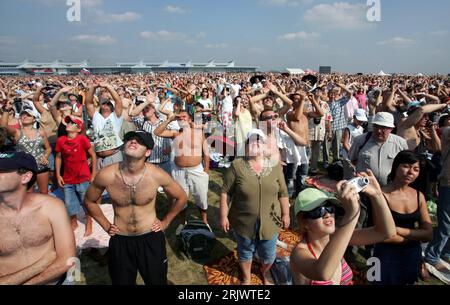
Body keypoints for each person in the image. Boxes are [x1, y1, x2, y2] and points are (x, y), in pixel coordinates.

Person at [84, 131, 187, 285]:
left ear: (148, 152)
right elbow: (89, 201)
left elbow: (181, 197)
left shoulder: (156, 175)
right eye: (130, 139)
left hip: (150, 238)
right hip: (120, 240)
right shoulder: (107, 175)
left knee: (156, 282)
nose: (133, 141)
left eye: (139, 141)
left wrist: (165, 222)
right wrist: (106, 225)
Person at [290, 170, 396, 285]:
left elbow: (386, 232)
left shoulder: (337, 237)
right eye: (318, 211)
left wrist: (377, 195)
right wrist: (352, 213)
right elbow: (323, 272)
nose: (327, 214)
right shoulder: (299, 254)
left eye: (329, 207)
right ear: (304, 222)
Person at [220, 129, 290, 285]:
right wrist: (223, 216)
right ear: (246, 147)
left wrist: (286, 214)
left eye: (260, 140)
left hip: (271, 221)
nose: (256, 142)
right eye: (252, 140)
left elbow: (283, 192)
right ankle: (246, 278)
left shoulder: (274, 166)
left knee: (269, 253)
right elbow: (226, 192)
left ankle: (265, 274)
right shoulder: (237, 166)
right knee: (245, 251)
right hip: (244, 221)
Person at [0, 151, 76, 285]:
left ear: (26, 177)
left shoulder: (51, 207)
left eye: (2, 170)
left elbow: (67, 260)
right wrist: (39, 266)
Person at [373, 150, 433, 284]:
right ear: (396, 166)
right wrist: (415, 237)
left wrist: (396, 230)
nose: (411, 172)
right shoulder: (380, 195)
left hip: (412, 256)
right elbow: (382, 235)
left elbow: (428, 234)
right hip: (385, 255)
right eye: (406, 166)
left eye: (416, 169)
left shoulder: (419, 196)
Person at [154, 111, 211, 225]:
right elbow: (157, 132)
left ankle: (204, 221)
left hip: (196, 170)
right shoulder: (176, 134)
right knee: (181, 199)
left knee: (201, 197)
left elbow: (206, 153)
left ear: (190, 120)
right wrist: (170, 119)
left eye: (184, 117)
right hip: (178, 171)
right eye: (179, 117)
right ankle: (182, 222)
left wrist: (206, 170)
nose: (181, 118)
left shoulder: (199, 134)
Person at [55, 116, 96, 236]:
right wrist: (58, 175)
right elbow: (58, 157)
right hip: (68, 178)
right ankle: (74, 222)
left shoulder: (82, 139)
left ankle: (89, 222)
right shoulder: (61, 140)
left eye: (72, 123)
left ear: (79, 129)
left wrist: (93, 173)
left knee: (86, 202)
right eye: (68, 122)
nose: (69, 124)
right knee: (69, 203)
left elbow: (93, 155)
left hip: (83, 177)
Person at [1, 101, 52, 194]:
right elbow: (3, 126)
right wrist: (6, 109)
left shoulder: (41, 132)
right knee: (28, 193)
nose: (25, 116)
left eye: (28, 115)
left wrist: (46, 156)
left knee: (44, 193)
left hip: (41, 166)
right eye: (23, 115)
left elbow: (48, 148)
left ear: (34, 119)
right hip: (25, 168)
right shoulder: (17, 133)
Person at [348, 112, 408, 187]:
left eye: (383, 128)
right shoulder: (360, 140)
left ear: (391, 129)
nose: (379, 130)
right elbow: (352, 159)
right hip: (365, 188)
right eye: (376, 126)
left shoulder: (401, 144)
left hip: (390, 189)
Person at [424, 113, 450, 284]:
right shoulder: (447, 132)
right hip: (448, 181)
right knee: (446, 221)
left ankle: (446, 251)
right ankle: (432, 254)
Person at [85, 82, 124, 170]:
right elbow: (88, 103)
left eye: (108, 104)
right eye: (103, 103)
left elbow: (118, 101)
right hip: (99, 157)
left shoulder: (116, 116)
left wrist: (108, 86)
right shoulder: (95, 116)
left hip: (113, 157)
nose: (105, 105)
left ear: (112, 107)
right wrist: (93, 87)